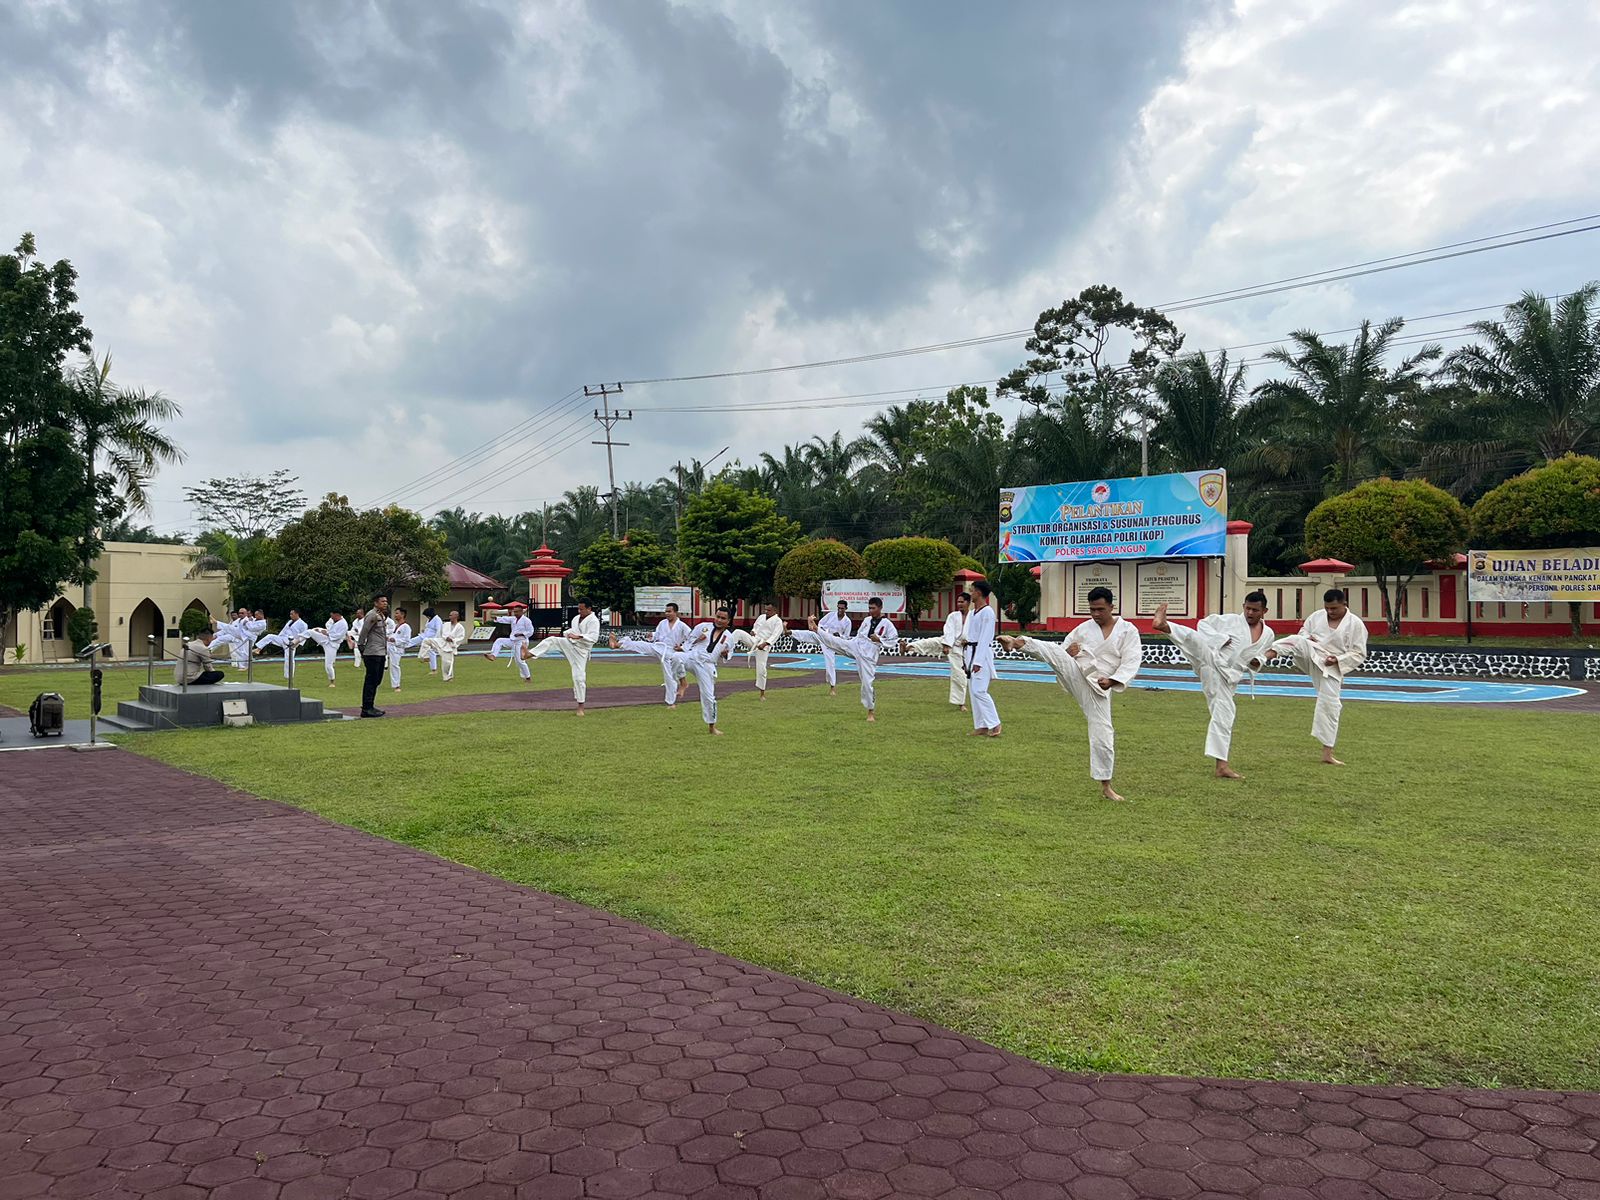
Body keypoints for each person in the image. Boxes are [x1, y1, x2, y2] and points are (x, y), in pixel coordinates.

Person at [999, 586, 1141, 801]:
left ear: (1112, 607)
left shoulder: (1127, 631)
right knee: (1055, 652)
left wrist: (1113, 680)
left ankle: (1106, 786)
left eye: (1100, 609)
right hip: (1077, 673)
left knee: (1103, 733)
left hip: (1100, 687)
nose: (1095, 614)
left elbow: (1132, 660)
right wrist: (1069, 652)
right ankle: (1018, 642)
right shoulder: (1083, 629)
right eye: (1092, 609)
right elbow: (1061, 654)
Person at [1151, 592, 1275, 779]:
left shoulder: (1268, 634)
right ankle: (1165, 626)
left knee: (1224, 714)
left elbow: (1262, 655)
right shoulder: (1230, 621)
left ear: (1264, 611)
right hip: (1214, 658)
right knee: (1197, 641)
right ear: (1243, 606)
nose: (1249, 612)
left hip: (1229, 675)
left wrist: (1258, 662)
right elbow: (1203, 625)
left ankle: (1221, 765)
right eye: (1247, 608)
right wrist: (1220, 638)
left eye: (1255, 610)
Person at [1270, 587, 1369, 765]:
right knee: (1297, 640)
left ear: (1344, 604)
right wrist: (1309, 639)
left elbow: (1359, 653)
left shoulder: (1355, 624)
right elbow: (1302, 634)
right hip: (1311, 654)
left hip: (1332, 666)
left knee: (1331, 705)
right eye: (1327, 608)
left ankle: (1327, 753)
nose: (1330, 612)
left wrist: (1337, 659)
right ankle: (1263, 656)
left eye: (1334, 608)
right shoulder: (1316, 617)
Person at [616, 605, 737, 734]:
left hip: (707, 665)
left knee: (708, 697)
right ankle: (683, 682)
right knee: (675, 657)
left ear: (728, 621)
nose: (719, 620)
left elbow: (729, 654)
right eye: (717, 616)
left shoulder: (729, 637)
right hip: (692, 656)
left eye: (723, 618)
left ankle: (712, 727)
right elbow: (689, 641)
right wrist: (693, 642)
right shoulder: (703, 627)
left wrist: (725, 654)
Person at [793, 596, 899, 722]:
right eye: (869, 608)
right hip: (857, 644)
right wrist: (848, 641)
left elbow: (893, 640)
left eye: (873, 608)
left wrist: (879, 640)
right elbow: (859, 635)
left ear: (880, 608)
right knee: (836, 642)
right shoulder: (866, 620)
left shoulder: (887, 624)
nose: (870, 610)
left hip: (869, 654)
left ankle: (871, 711)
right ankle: (817, 630)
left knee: (867, 683)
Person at [524, 600, 601, 715]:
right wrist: (568, 633)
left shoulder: (593, 621)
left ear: (589, 609)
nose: (579, 611)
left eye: (582, 609)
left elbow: (593, 637)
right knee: (552, 640)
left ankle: (581, 706)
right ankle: (530, 654)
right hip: (570, 644)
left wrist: (578, 636)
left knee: (578, 677)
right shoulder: (576, 618)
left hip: (581, 651)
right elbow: (572, 631)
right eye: (578, 609)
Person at [909, 592, 971, 712]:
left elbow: (976, 632)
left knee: (959, 675)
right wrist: (947, 644)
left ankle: (961, 703)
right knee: (930, 643)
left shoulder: (974, 616)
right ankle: (909, 647)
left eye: (962, 601)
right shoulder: (953, 616)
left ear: (968, 602)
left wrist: (968, 641)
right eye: (958, 602)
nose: (959, 604)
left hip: (962, 648)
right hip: (949, 642)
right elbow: (948, 630)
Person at [964, 581, 1001, 737]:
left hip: (982, 654)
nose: (970, 593)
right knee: (973, 691)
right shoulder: (973, 613)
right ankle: (981, 725)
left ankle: (995, 723)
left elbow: (986, 638)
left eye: (971, 591)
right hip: (970, 652)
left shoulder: (988, 612)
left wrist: (978, 661)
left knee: (979, 690)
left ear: (978, 593)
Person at [357, 596, 390, 717]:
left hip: (380, 652)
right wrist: (360, 646)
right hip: (372, 652)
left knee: (377, 680)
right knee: (371, 680)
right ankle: (366, 708)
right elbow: (364, 631)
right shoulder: (372, 615)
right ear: (376, 603)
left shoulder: (380, 615)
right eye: (382, 601)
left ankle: (370, 705)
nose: (385, 603)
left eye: (386, 601)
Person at [484, 606, 535, 683]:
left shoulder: (526, 620)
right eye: (514, 612)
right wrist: (495, 618)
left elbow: (531, 631)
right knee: (499, 640)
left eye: (517, 612)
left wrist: (521, 634)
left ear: (521, 612)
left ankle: (528, 678)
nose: (515, 613)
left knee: (519, 661)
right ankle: (493, 655)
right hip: (513, 640)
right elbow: (505, 619)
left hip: (522, 642)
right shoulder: (513, 619)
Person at [254, 609, 309, 679]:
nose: (290, 615)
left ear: (297, 614)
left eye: (292, 614)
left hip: (292, 643)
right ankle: (258, 649)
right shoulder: (289, 621)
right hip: (283, 639)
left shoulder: (303, 624)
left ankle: (288, 676)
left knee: (289, 659)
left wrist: (296, 644)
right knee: (270, 636)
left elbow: (304, 636)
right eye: (290, 614)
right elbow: (284, 630)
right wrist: (279, 637)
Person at [816, 599, 852, 696]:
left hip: (835, 643)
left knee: (830, 663)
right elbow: (820, 624)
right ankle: (791, 633)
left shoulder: (847, 622)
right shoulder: (831, 615)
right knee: (807, 635)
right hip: (824, 638)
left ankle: (832, 686)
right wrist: (824, 632)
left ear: (846, 609)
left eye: (842, 608)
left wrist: (839, 636)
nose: (840, 610)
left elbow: (846, 636)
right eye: (839, 608)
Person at [750, 603, 786, 700]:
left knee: (761, 669)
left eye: (769, 610)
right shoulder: (761, 617)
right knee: (737, 633)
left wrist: (765, 644)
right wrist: (753, 631)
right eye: (765, 610)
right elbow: (755, 626)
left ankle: (762, 694)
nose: (766, 612)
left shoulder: (778, 621)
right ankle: (727, 650)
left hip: (763, 645)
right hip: (754, 640)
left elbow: (775, 636)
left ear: (775, 611)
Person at [420, 610, 469, 682]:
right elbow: (441, 633)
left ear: (456, 616)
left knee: (447, 663)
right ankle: (425, 657)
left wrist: (452, 640)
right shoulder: (446, 624)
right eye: (449, 615)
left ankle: (448, 677)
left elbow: (460, 638)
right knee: (426, 641)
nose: (449, 616)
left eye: (451, 615)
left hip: (449, 646)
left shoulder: (460, 628)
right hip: (441, 641)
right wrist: (444, 638)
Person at [305, 610, 349, 687]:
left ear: (337, 615)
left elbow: (337, 636)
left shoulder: (344, 625)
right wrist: (321, 630)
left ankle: (332, 682)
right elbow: (328, 626)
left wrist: (327, 633)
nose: (331, 617)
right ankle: (295, 642)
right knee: (310, 631)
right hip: (326, 639)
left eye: (332, 616)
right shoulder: (333, 619)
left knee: (328, 665)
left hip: (332, 645)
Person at [387, 607, 412, 692]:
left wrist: (395, 640)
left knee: (394, 666)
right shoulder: (395, 626)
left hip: (397, 649)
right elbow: (393, 635)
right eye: (395, 613)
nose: (395, 615)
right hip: (389, 646)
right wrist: (389, 638)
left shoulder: (406, 627)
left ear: (402, 615)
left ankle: (396, 685)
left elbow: (407, 640)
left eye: (397, 613)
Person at [411, 607, 443, 672]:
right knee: (413, 641)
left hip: (432, 638)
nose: (427, 617)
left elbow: (439, 630)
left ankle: (433, 668)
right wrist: (424, 631)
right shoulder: (430, 619)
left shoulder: (437, 619)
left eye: (427, 615)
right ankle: (425, 658)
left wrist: (435, 640)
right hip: (425, 636)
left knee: (431, 652)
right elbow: (428, 628)